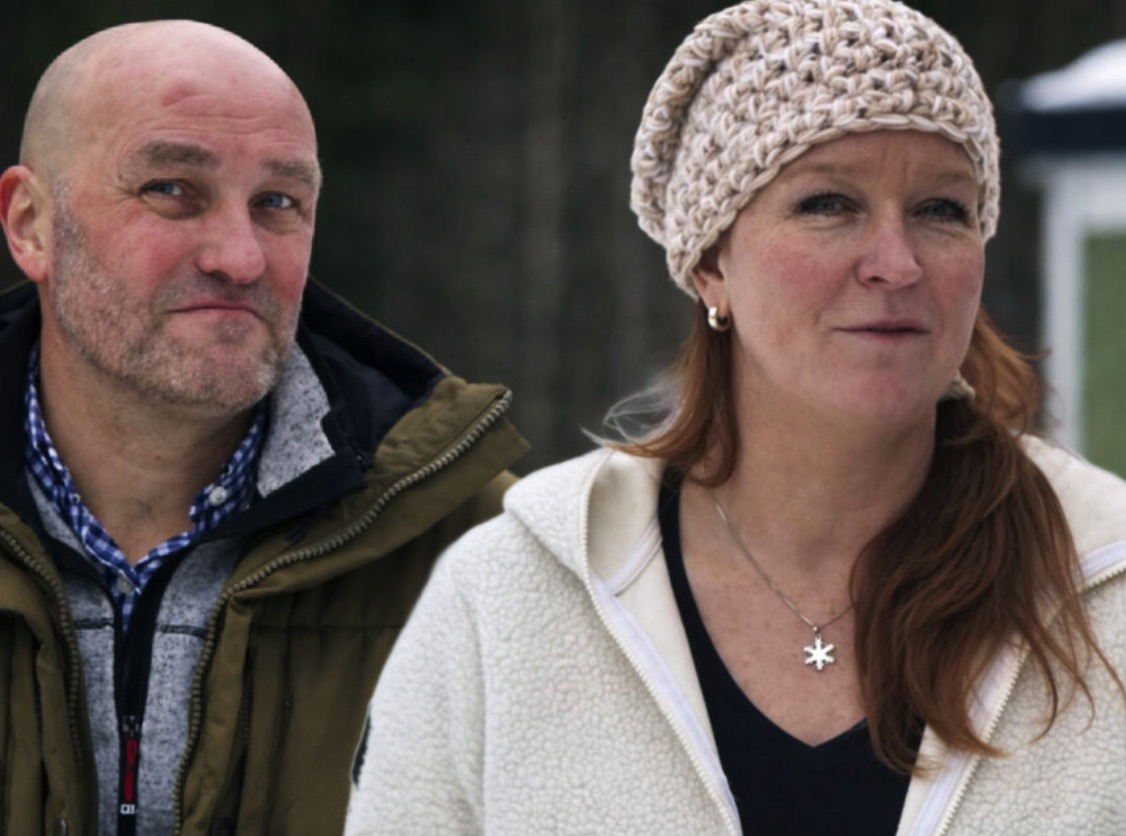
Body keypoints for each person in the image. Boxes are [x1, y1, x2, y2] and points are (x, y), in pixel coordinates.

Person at [344, 1, 1126, 834]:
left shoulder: (1106, 587)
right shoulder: (510, 595)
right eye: (828, 203)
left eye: (942, 210)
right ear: (711, 262)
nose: (896, 263)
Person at [0, 19, 526, 836]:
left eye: (277, 203)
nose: (240, 258)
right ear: (31, 223)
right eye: (172, 190)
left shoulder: (483, 552)